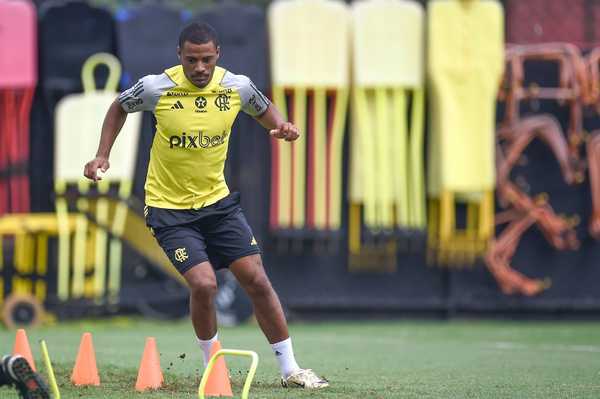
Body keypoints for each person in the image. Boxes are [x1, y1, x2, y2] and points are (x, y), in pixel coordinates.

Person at [83, 22, 328, 389]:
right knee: (204, 284)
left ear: (218, 56)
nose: (200, 68)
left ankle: (291, 369)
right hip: (169, 210)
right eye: (192, 59)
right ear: (179, 55)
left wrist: (279, 126)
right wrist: (102, 155)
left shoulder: (237, 86)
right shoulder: (156, 87)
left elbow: (262, 108)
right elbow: (118, 107)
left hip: (217, 204)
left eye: (207, 60)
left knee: (256, 279)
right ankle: (213, 367)